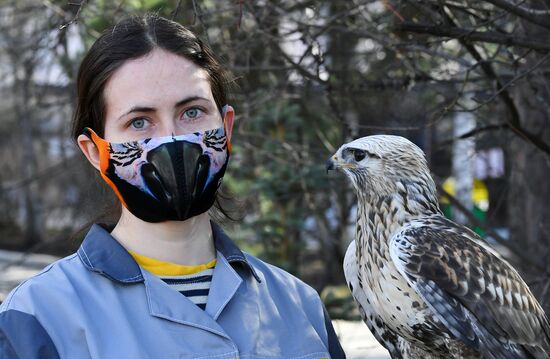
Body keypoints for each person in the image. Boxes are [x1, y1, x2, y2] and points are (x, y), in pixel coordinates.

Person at [0, 14, 346, 359]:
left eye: (192, 112)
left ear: (226, 129)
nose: (172, 138)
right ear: (94, 151)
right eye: (139, 122)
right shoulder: (36, 319)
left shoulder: (300, 306)